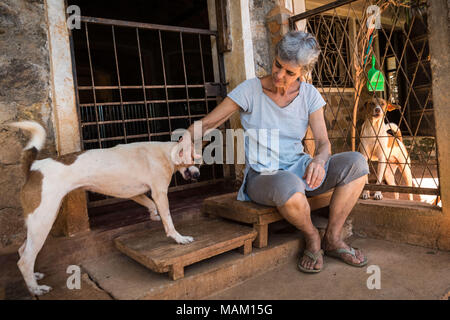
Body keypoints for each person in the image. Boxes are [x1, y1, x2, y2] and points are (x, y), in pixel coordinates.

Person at [178, 31, 369, 273]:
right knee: (289, 186)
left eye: (290, 72)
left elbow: (323, 143)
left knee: (357, 163)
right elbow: (208, 124)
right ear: (275, 56)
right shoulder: (250, 90)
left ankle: (333, 237)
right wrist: (185, 136)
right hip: (263, 177)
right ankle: (312, 237)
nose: (279, 75)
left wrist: (319, 161)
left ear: (303, 72)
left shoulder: (310, 95)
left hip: (300, 170)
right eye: (278, 65)